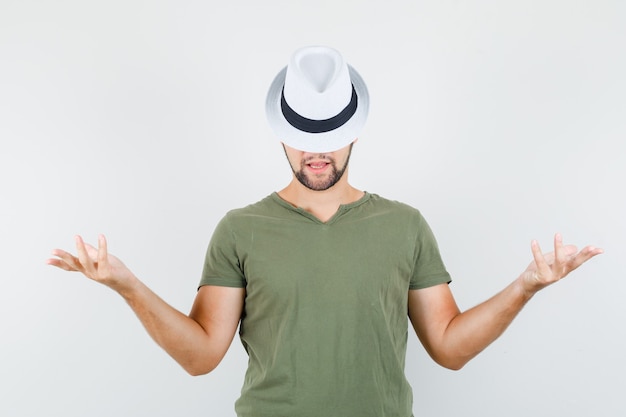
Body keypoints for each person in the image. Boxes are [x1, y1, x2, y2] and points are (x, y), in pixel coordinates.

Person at [47, 46, 603, 417]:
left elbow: (449, 348)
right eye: (302, 134)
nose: (317, 150)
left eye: (331, 133)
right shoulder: (240, 230)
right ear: (281, 134)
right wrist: (127, 285)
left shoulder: (404, 226)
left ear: (355, 132)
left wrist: (525, 287)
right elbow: (201, 356)